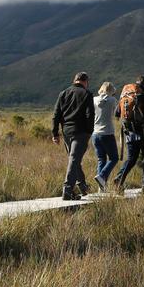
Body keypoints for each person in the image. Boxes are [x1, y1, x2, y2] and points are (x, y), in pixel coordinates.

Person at [51, 72, 95, 200]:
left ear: (74, 80)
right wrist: (89, 132)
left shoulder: (63, 93)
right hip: (81, 132)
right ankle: (68, 189)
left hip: (66, 132)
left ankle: (82, 186)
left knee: (74, 159)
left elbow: (56, 115)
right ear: (85, 81)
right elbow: (90, 115)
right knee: (74, 159)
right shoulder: (87, 94)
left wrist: (55, 133)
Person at [114, 74, 144, 192]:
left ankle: (119, 179)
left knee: (131, 158)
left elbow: (117, 113)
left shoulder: (126, 94)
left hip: (129, 131)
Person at [92, 81, 120, 191]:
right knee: (114, 158)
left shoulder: (93, 99)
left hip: (95, 134)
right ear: (111, 91)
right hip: (107, 133)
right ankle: (102, 176)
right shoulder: (113, 100)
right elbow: (117, 113)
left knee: (101, 159)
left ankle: (101, 188)